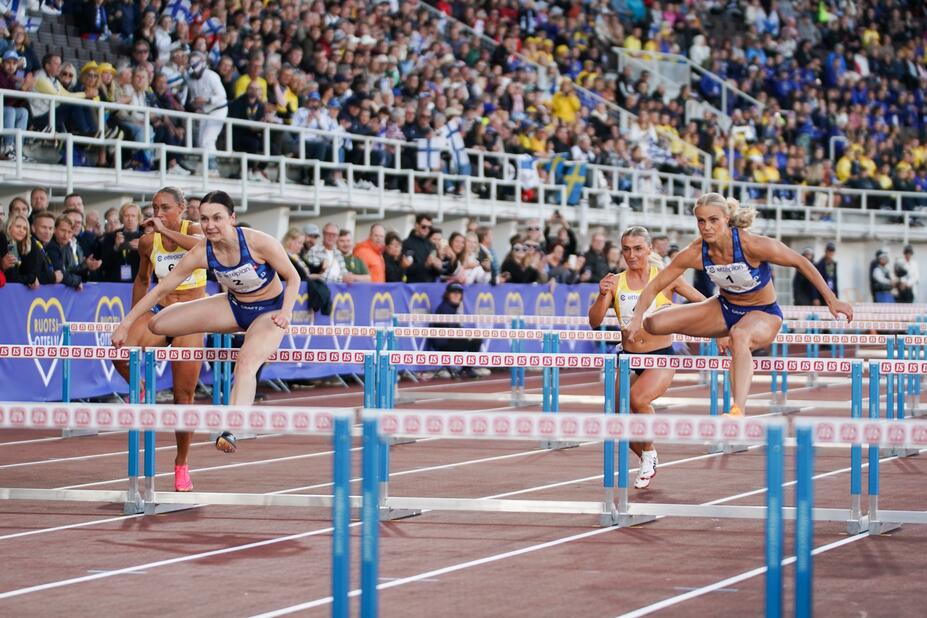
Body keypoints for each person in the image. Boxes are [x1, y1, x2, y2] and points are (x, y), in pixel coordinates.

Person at [624, 193, 853, 417]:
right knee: (653, 323)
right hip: (724, 308)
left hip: (762, 313)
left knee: (739, 334)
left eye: (713, 220)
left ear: (726, 219)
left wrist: (831, 299)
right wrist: (636, 319)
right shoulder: (695, 253)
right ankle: (645, 366)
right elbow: (654, 286)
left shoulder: (752, 245)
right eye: (701, 221)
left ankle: (738, 409)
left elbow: (800, 262)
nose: (707, 227)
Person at [111, 190, 301, 458]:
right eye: (205, 219)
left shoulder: (259, 242)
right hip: (233, 305)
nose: (210, 225)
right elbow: (159, 288)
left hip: (267, 313)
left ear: (232, 218)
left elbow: (293, 278)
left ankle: (231, 430)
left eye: (217, 218)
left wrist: (287, 312)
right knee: (158, 324)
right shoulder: (203, 250)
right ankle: (180, 328)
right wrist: (126, 323)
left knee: (245, 362)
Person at [588, 226, 706, 489]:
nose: (632, 255)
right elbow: (594, 322)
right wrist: (601, 294)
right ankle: (646, 458)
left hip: (660, 356)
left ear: (649, 249)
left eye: (638, 248)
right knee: (617, 421)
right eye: (626, 249)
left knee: (638, 398)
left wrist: (718, 330)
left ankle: (650, 453)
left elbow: (703, 303)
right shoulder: (616, 281)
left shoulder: (665, 277)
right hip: (629, 357)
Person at [109, 188, 207, 492]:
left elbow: (204, 248)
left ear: (181, 208)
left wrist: (165, 228)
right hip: (162, 312)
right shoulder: (150, 241)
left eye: (165, 207)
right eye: (154, 208)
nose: (158, 213)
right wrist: (131, 320)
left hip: (191, 316)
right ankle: (138, 387)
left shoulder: (195, 229)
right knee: (120, 351)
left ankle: (181, 463)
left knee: (182, 397)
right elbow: (142, 279)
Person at [427, 282, 488, 379]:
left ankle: (466, 368)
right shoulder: (445, 309)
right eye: (453, 293)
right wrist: (466, 336)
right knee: (476, 341)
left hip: (451, 340)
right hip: (444, 343)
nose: (456, 295)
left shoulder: (452, 307)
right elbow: (451, 330)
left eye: (458, 293)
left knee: (475, 339)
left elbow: (456, 327)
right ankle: (466, 369)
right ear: (447, 295)